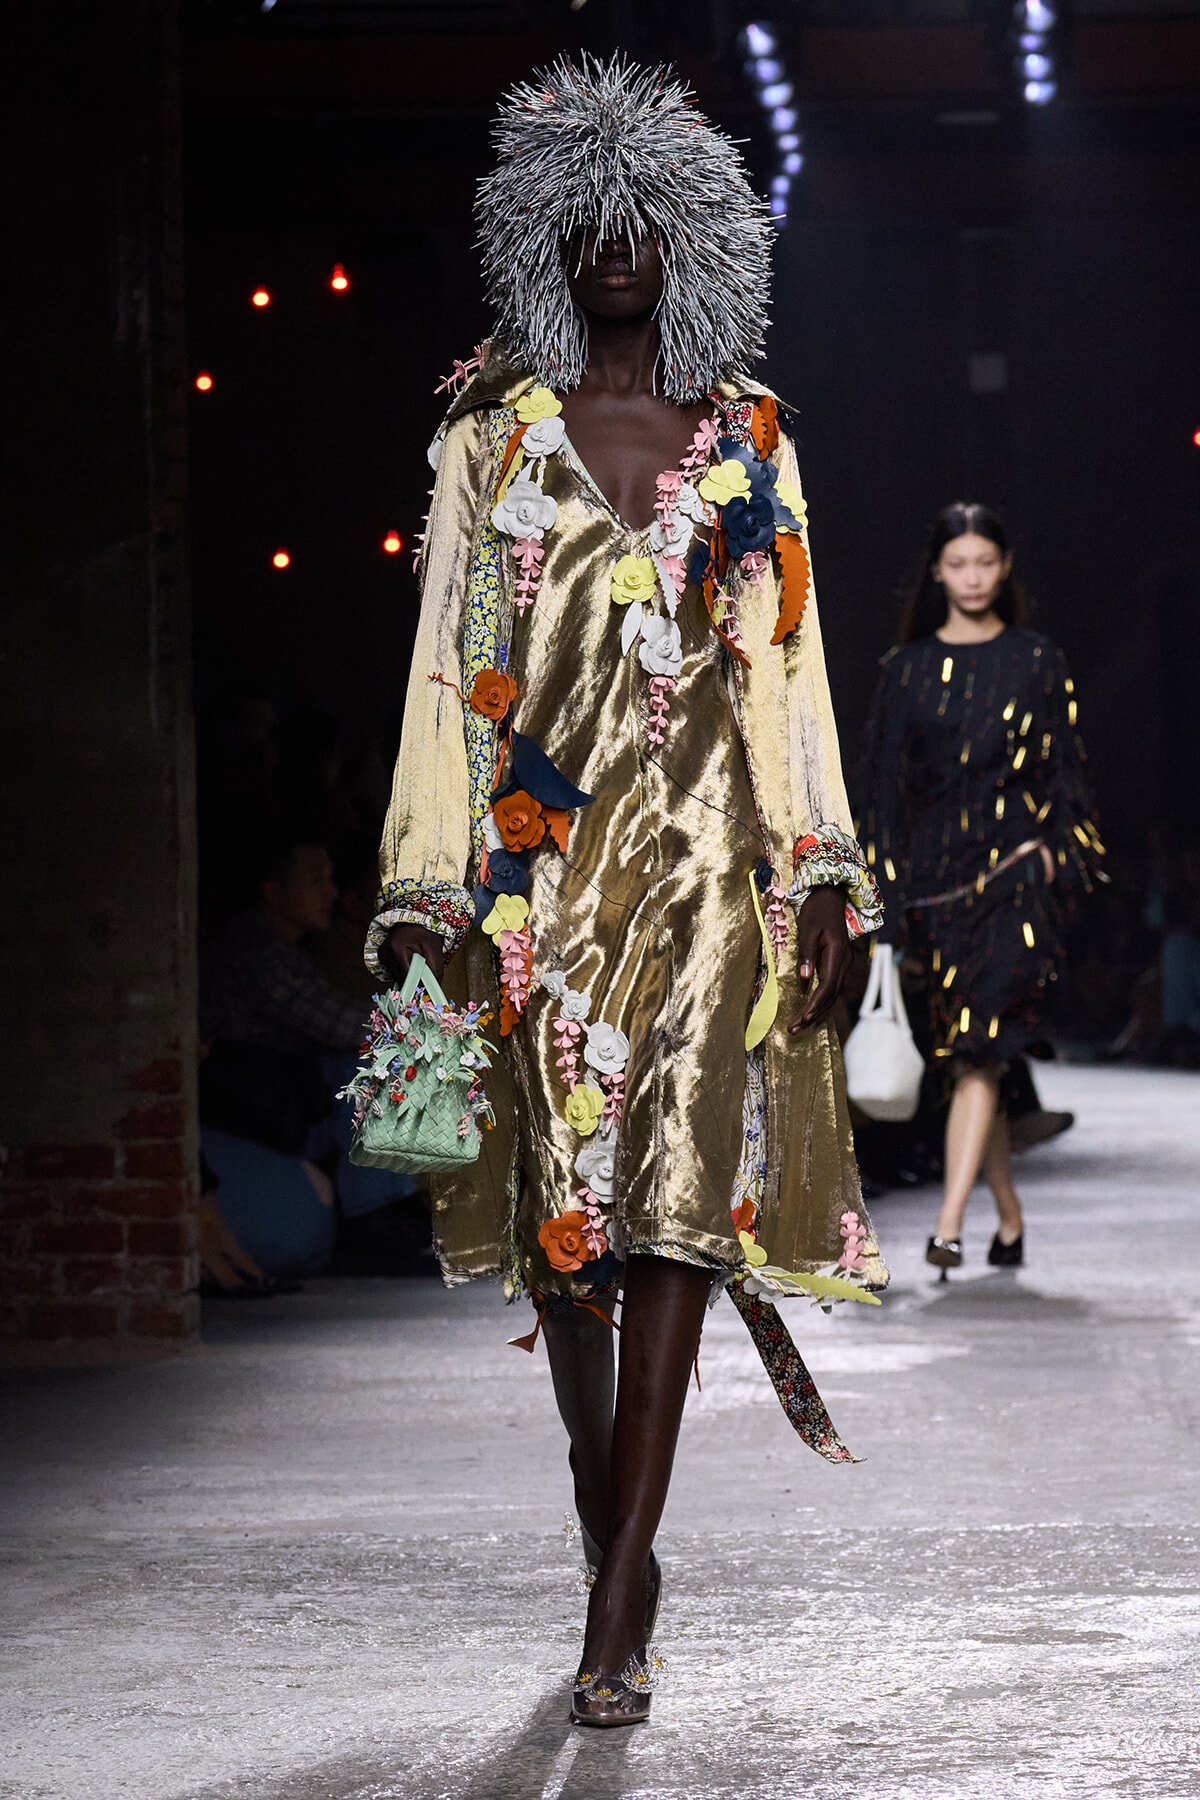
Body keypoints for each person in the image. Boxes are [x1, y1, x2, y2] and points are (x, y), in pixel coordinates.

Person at [370, 56, 885, 1726]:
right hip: (539, 896)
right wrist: (422, 879)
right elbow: (446, 672)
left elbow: (787, 667)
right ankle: (618, 1527)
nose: (614, 241)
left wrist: (824, 873)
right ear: (542, 233)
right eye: (582, 213)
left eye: (645, 215)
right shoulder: (489, 441)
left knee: (672, 1209)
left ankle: (614, 1613)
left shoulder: (752, 442)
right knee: (562, 1246)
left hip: (704, 886)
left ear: (694, 239)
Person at [860, 503, 1104, 1278]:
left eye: (985, 562)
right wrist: (888, 911)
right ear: (937, 571)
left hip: (1013, 886)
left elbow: (1065, 771)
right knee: (977, 1057)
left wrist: (1056, 859)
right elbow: (883, 800)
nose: (972, 577)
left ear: (1004, 569)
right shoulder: (903, 672)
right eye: (957, 563)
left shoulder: (1037, 660)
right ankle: (1007, 1215)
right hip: (933, 894)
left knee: (976, 1055)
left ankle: (948, 1223)